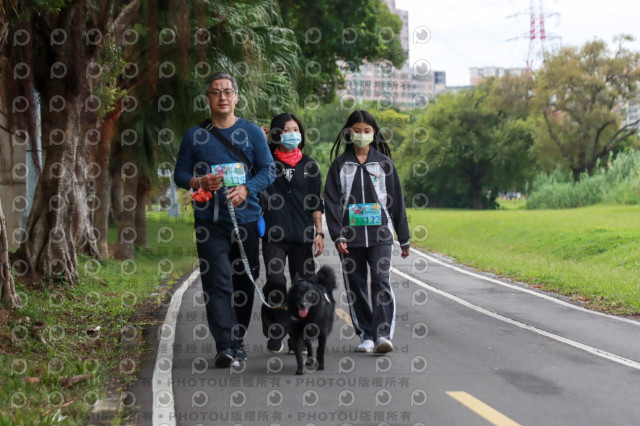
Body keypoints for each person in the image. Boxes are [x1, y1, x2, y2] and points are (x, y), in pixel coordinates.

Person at [174, 72, 275, 367]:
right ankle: (224, 346)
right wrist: (198, 182)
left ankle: (239, 339)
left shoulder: (252, 133)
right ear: (208, 98)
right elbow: (180, 174)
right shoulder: (195, 135)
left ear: (236, 97)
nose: (222, 97)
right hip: (210, 221)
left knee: (244, 280)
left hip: (245, 220)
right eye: (216, 92)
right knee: (217, 282)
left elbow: (268, 170)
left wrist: (247, 188)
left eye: (227, 92)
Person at [323, 110, 410, 354]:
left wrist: (403, 238)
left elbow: (396, 202)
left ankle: (383, 334)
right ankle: (366, 334)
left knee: (381, 281)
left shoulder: (383, 164)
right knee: (356, 284)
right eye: (357, 130)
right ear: (348, 133)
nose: (362, 135)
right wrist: (337, 235)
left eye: (367, 131)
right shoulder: (340, 166)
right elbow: (331, 203)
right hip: (350, 239)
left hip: (381, 235)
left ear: (374, 133)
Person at [260, 113, 324, 353]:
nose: (291, 134)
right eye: (286, 130)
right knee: (276, 281)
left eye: (295, 129)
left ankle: (301, 334)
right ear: (276, 133)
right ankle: (275, 329)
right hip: (274, 235)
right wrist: (259, 139)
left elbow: (316, 202)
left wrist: (319, 233)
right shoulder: (266, 162)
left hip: (302, 236)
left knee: (304, 288)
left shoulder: (309, 165)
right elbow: (245, 166)